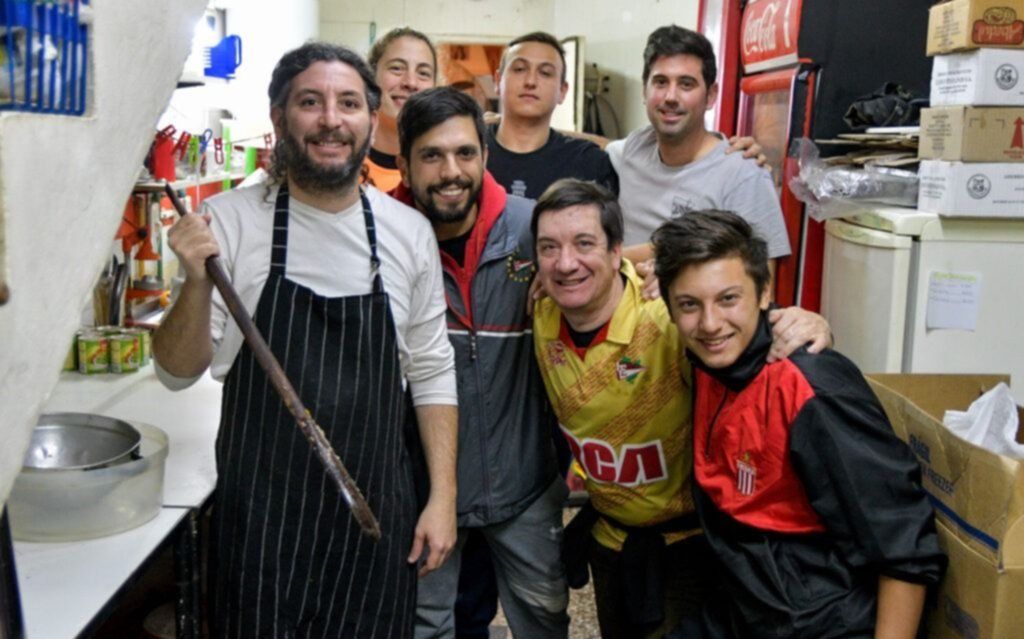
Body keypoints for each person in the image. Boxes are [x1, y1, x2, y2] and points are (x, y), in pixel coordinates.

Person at [152, 42, 459, 637]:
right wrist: (195, 281)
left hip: (375, 518)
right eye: (310, 102)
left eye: (349, 103)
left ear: (371, 119)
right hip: (261, 526)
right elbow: (174, 371)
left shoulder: (407, 232)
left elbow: (431, 372)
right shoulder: (229, 223)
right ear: (279, 117)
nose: (331, 120)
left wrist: (443, 498)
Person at [530, 178, 831, 638]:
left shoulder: (666, 316)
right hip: (609, 536)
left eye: (584, 244)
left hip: (688, 544)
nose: (565, 263)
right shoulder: (539, 312)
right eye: (548, 248)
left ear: (617, 251)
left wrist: (804, 322)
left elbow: (738, 328)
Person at [652, 210, 946, 638]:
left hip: (824, 622)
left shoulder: (811, 390)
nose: (710, 323)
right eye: (689, 305)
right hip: (748, 608)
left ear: (764, 292)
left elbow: (903, 544)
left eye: (728, 299)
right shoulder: (710, 360)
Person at [389, 87, 570, 639]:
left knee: (543, 616)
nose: (452, 171)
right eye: (432, 155)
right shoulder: (380, 238)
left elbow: (612, 273)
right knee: (424, 624)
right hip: (418, 491)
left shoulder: (535, 231)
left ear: (486, 156)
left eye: (465, 153)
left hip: (525, 486)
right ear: (403, 164)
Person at [607, 25, 790, 277]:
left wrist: (606, 261)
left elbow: (762, 288)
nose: (671, 96)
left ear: (711, 96)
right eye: (660, 82)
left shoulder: (743, 174)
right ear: (644, 91)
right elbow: (594, 145)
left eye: (686, 84)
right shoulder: (636, 147)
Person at [487, 31, 618, 199]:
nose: (530, 81)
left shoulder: (589, 162)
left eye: (545, 73)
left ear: (562, 91)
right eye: (519, 69)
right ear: (498, 81)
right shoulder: (467, 151)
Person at [363, 27, 438, 192]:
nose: (410, 82)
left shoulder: (444, 169)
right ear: (371, 76)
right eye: (397, 68)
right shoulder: (345, 163)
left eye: (423, 73)